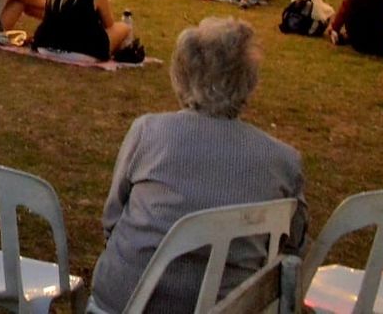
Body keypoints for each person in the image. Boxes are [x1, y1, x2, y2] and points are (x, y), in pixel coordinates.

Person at [90, 18, 307, 313]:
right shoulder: (282, 161)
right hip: (229, 306)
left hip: (126, 302)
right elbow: (293, 245)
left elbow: (112, 220)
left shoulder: (149, 133)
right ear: (249, 81)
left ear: (182, 75)